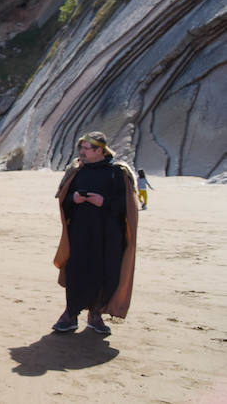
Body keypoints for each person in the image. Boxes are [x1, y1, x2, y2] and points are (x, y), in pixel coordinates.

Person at [52, 132, 138, 334]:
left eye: (86, 149)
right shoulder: (77, 171)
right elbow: (64, 201)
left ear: (100, 150)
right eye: (80, 148)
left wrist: (104, 202)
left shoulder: (117, 172)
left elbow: (127, 206)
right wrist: (73, 198)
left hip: (108, 236)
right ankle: (70, 314)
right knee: (76, 272)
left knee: (105, 273)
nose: (81, 152)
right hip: (80, 233)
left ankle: (95, 315)